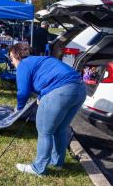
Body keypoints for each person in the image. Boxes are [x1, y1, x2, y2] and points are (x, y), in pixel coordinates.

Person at [9, 43, 86, 176]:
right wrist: (41, 95)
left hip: (61, 92)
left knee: (45, 131)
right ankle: (57, 162)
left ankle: (38, 168)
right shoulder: (39, 60)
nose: (11, 62)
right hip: (80, 89)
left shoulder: (23, 65)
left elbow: (23, 92)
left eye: (11, 58)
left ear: (16, 56)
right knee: (61, 128)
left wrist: (19, 110)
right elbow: (48, 77)